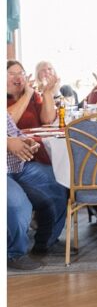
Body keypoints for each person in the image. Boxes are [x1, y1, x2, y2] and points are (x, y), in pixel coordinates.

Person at [7, 114, 68, 269]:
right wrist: (6, 142)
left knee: (58, 181)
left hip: (19, 167)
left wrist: (27, 141)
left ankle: (46, 242)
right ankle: (14, 254)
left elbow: (15, 133)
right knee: (17, 203)